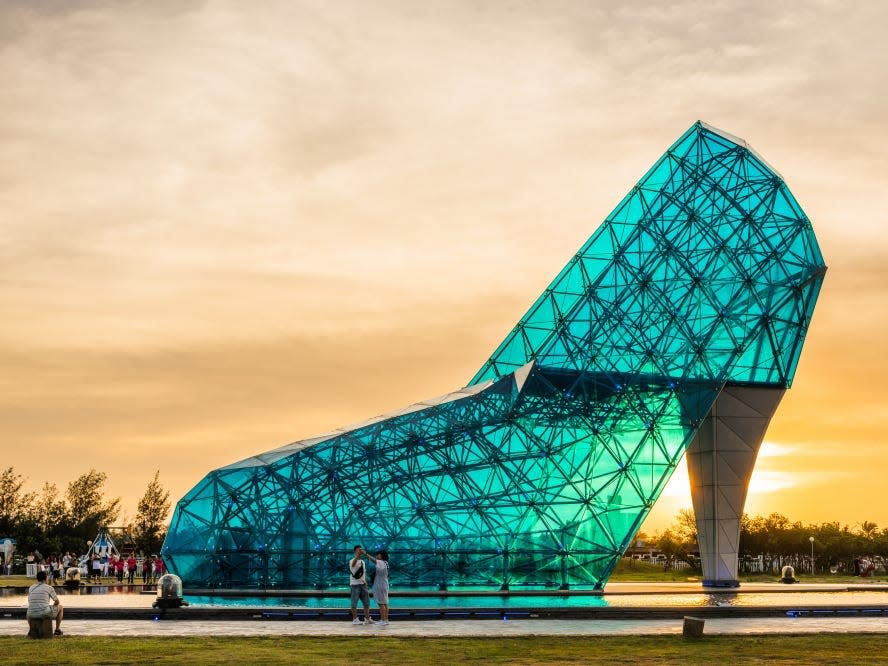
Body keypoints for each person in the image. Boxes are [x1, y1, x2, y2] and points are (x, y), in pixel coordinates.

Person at [27, 570, 64, 635]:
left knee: (29, 611)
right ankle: (57, 629)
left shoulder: (31, 587)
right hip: (45, 613)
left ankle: (32, 629)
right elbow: (57, 601)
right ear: (46, 578)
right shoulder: (49, 588)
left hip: (31, 614)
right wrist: (53, 606)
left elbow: (30, 601)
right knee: (60, 608)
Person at [349, 545, 374, 625]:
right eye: (358, 550)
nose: (360, 551)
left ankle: (367, 619)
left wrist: (365, 581)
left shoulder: (363, 562)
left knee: (366, 603)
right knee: (354, 603)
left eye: (361, 550)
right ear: (355, 552)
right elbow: (353, 565)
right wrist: (358, 556)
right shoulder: (352, 560)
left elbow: (363, 572)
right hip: (355, 584)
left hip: (363, 584)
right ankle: (355, 619)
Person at [365, 549, 390, 625]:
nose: (377, 556)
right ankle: (385, 619)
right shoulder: (386, 563)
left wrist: (365, 554)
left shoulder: (381, 562)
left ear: (382, 555)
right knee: (385, 603)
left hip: (380, 585)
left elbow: (374, 560)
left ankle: (383, 620)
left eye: (378, 554)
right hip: (384, 584)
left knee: (381, 603)